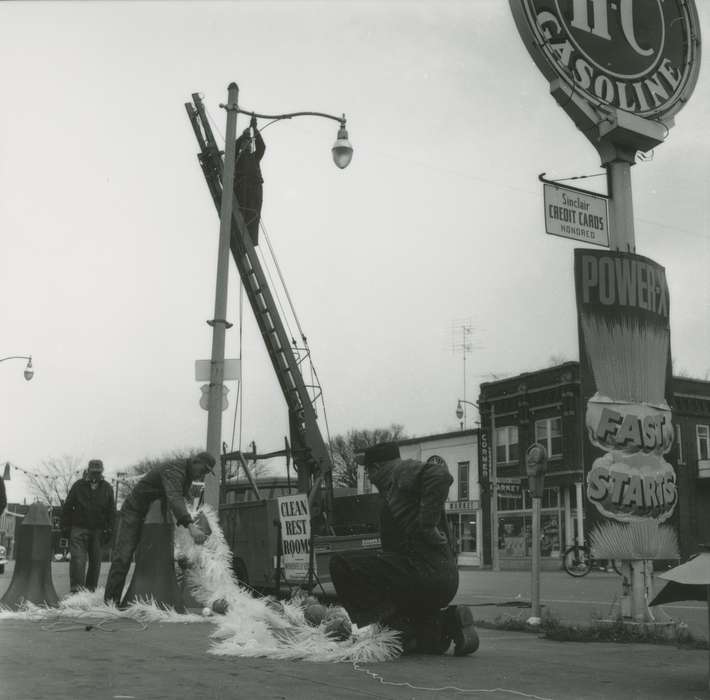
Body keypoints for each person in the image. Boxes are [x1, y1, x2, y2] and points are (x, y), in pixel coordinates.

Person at [329, 442, 479, 655]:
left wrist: (426, 526)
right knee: (420, 644)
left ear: (379, 467)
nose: (370, 478)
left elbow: (440, 475)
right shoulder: (395, 495)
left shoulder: (399, 471)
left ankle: (381, 628)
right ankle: (449, 621)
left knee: (341, 564)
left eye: (369, 471)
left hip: (423, 573)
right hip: (442, 579)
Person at [103, 451, 215, 607]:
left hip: (152, 515)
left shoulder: (186, 474)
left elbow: (183, 498)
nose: (202, 475)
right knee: (123, 555)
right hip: (134, 511)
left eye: (206, 473)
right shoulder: (174, 471)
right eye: (203, 470)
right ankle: (110, 604)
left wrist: (195, 515)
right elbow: (175, 497)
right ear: (195, 462)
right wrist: (191, 526)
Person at [60, 459, 116, 593]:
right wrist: (65, 527)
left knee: (95, 563)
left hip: (98, 531)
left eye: (98, 472)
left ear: (102, 472)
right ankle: (76, 592)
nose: (95, 475)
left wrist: (110, 529)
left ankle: (90, 592)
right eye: (93, 472)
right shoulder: (78, 486)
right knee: (78, 561)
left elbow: (111, 512)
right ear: (88, 471)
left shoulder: (108, 488)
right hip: (78, 529)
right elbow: (67, 507)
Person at [233, 116, 265, 246]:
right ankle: (241, 236)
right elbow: (233, 147)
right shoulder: (236, 157)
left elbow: (262, 147)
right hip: (242, 186)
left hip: (255, 186)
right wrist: (243, 135)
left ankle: (250, 239)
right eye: (244, 142)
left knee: (253, 212)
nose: (247, 144)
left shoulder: (255, 157)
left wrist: (255, 129)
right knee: (243, 211)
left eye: (248, 142)